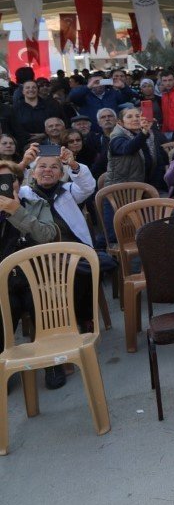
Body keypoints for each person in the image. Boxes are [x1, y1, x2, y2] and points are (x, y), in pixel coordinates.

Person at [18, 147, 104, 389]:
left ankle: (82, 319)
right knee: (42, 292)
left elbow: (87, 186)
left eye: (54, 167)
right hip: (37, 260)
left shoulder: (67, 191)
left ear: (61, 173)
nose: (48, 170)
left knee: (85, 272)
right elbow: (8, 186)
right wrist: (22, 163)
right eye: (42, 167)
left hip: (73, 252)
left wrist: (74, 166)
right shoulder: (23, 194)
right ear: (32, 173)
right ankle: (55, 350)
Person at [0, 159, 64, 386]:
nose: (5, 186)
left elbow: (47, 234)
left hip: (36, 275)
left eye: (9, 180)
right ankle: (4, 368)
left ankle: (52, 363)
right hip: (3, 280)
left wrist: (17, 212)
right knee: (6, 309)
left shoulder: (35, 203)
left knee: (39, 302)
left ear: (18, 183)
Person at [13, 79, 68, 149]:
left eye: (34, 87)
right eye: (27, 87)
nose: (31, 90)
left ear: (37, 90)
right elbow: (15, 127)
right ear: (23, 91)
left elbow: (61, 121)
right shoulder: (16, 108)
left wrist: (44, 134)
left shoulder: (51, 105)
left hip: (50, 142)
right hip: (25, 144)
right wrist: (29, 136)